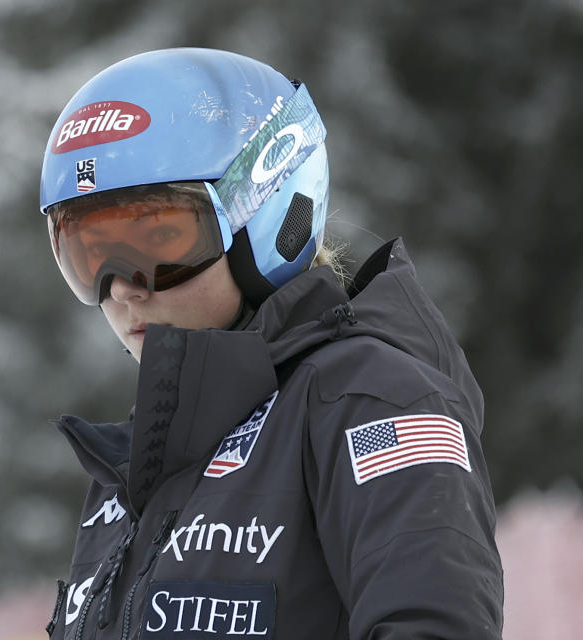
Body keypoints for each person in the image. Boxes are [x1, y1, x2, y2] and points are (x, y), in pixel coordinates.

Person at [39, 48, 503, 640]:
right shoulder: (132, 470)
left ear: (267, 215)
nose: (123, 290)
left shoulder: (371, 400)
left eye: (160, 240)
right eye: (91, 256)